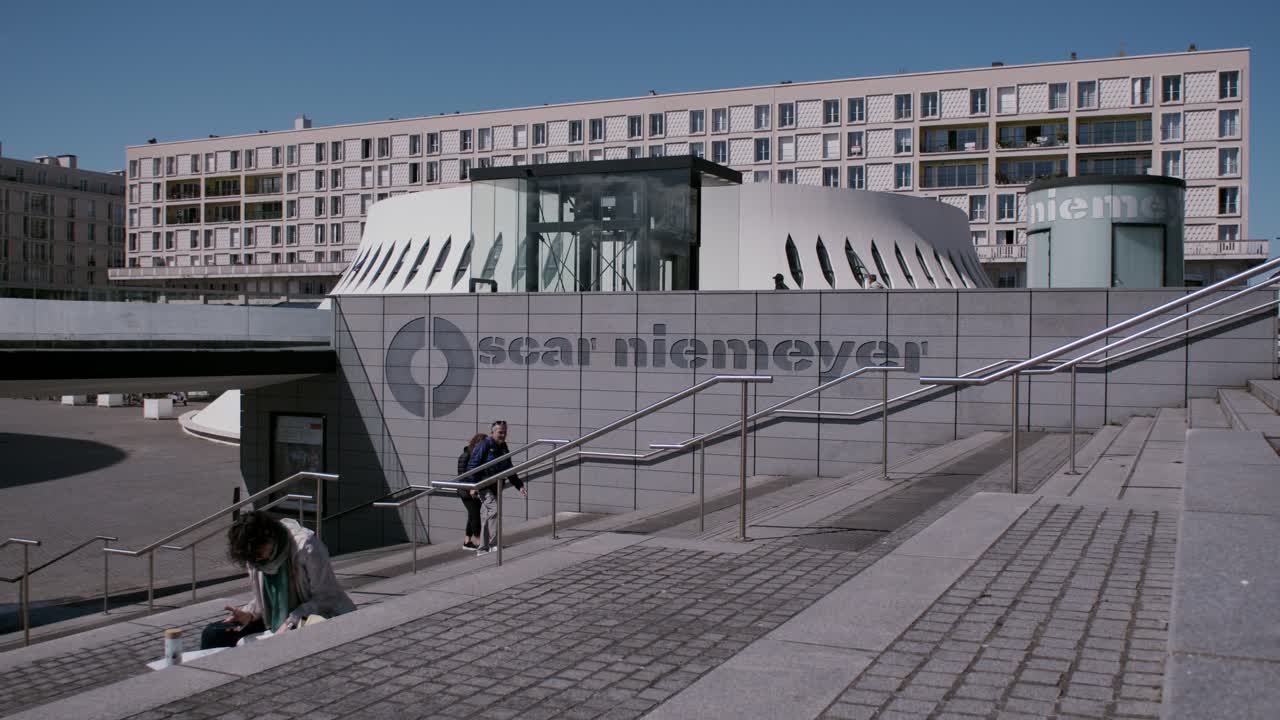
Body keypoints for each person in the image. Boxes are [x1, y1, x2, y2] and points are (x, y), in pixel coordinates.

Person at [200, 511, 355, 649]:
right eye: (252, 557)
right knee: (212, 634)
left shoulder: (306, 546)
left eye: (259, 553)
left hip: (315, 614)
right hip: (277, 618)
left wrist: (292, 620)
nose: (258, 560)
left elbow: (326, 597)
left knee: (276, 645)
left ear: (269, 536)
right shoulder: (254, 558)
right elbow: (265, 600)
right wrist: (248, 614)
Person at [466, 420, 527, 555]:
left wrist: (519, 485)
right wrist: (474, 485)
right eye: (500, 432)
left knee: (486, 516)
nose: (503, 435)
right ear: (492, 432)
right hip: (484, 485)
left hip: (496, 486)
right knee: (494, 511)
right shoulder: (485, 444)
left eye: (505, 432)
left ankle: (482, 548)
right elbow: (472, 466)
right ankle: (493, 545)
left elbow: (509, 468)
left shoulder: (503, 447)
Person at [458, 433, 488, 549]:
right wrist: (471, 487)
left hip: (475, 489)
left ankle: (467, 541)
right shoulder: (465, 456)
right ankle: (479, 542)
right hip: (466, 491)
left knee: (472, 515)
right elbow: (462, 476)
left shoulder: (479, 456)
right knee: (475, 515)